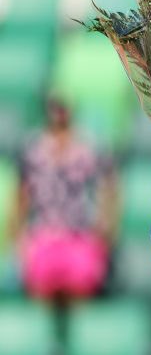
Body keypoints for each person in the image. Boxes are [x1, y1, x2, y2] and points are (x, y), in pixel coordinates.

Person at [11, 97, 118, 302]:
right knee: (39, 283)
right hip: (43, 236)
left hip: (80, 237)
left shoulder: (89, 148)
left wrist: (104, 232)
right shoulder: (33, 149)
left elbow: (109, 188)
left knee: (83, 283)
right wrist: (20, 237)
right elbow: (21, 195)